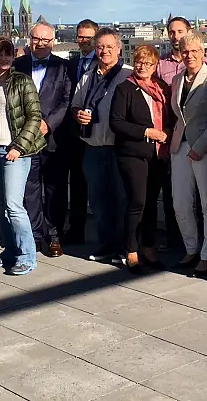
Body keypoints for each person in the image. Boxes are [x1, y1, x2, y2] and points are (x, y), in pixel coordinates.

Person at [0, 37, 47, 275]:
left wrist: (19, 147)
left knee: (14, 206)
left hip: (14, 151)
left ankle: (27, 256)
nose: (3, 58)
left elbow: (34, 117)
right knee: (1, 204)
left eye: (8, 53)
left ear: (14, 56)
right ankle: (10, 251)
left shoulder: (22, 81)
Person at [109, 45, 175, 273]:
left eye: (148, 63)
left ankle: (148, 247)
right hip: (133, 153)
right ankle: (131, 250)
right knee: (137, 201)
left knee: (151, 202)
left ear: (155, 66)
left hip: (158, 154)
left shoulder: (162, 87)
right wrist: (147, 132)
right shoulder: (125, 88)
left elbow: (170, 117)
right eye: (139, 62)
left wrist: (167, 130)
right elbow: (116, 122)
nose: (142, 67)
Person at [72, 27, 133, 262]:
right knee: (98, 200)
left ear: (119, 49)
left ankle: (126, 246)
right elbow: (75, 105)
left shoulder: (127, 75)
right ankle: (107, 244)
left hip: (119, 147)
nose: (104, 51)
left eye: (109, 47)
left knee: (122, 198)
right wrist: (78, 115)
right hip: (93, 146)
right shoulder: (88, 75)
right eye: (100, 47)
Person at [169, 32, 207, 277]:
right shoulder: (177, 79)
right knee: (180, 202)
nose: (189, 55)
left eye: (194, 51)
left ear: (203, 53)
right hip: (180, 146)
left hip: (206, 149)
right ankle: (191, 248)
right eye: (185, 51)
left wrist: (199, 148)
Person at [14, 22, 72, 257]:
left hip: (53, 138)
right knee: (30, 189)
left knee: (55, 188)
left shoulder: (64, 67)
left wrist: (49, 124)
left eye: (45, 40)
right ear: (30, 39)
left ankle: (54, 235)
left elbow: (66, 100)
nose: (40, 44)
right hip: (26, 139)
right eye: (36, 39)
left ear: (53, 42)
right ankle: (35, 236)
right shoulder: (18, 65)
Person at [157, 17, 207, 251]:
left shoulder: (205, 64)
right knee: (175, 194)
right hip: (173, 135)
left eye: (180, 31)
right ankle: (178, 241)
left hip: (199, 137)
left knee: (201, 196)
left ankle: (203, 244)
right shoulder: (161, 64)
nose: (175, 36)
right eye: (171, 32)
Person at [63, 18, 99, 244]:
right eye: (81, 37)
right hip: (72, 133)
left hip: (97, 132)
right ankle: (76, 230)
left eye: (89, 37)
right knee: (76, 184)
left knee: (97, 184)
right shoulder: (70, 64)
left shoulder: (104, 62)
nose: (84, 41)